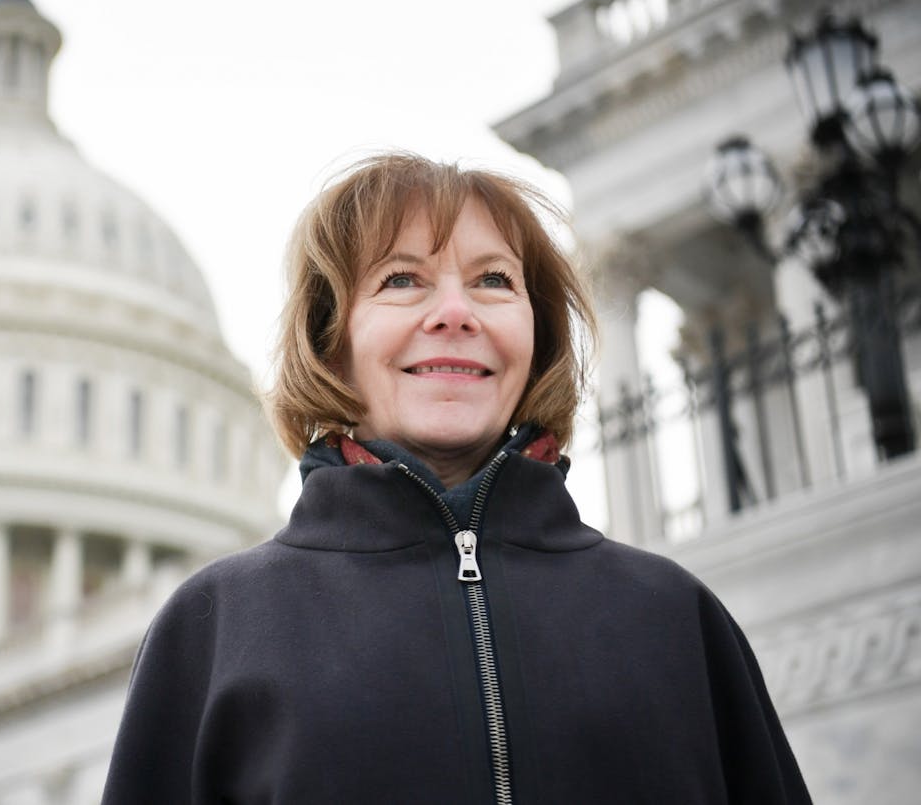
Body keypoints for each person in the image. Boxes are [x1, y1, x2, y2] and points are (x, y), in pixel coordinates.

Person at [101, 153, 811, 804]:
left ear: (537, 341)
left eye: (493, 280)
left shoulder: (675, 617)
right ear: (332, 345)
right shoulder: (217, 629)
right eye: (401, 279)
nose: (454, 313)